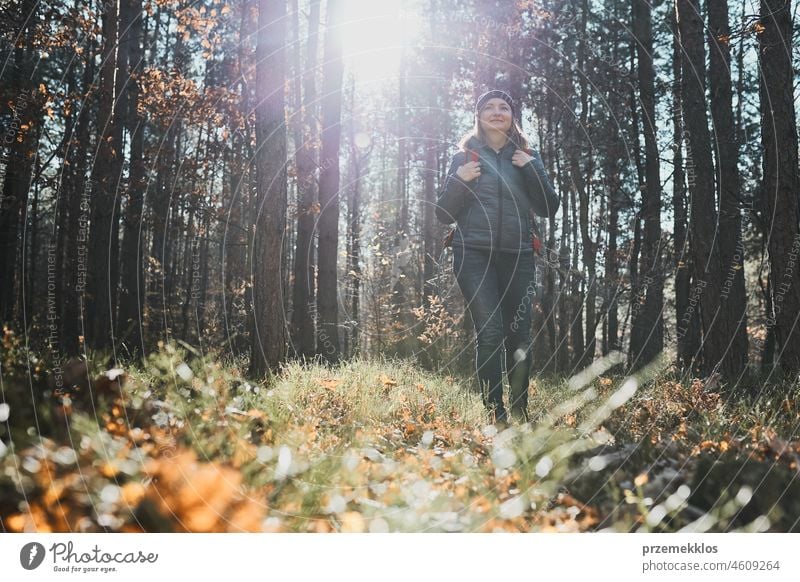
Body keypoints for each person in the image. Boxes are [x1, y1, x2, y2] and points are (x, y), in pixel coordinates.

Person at [435, 90, 560, 425]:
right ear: (478, 116)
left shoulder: (528, 157)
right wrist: (458, 181)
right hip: (472, 254)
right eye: (488, 107)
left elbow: (548, 208)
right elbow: (443, 214)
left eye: (503, 107)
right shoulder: (464, 159)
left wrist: (531, 169)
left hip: (519, 255)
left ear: (512, 116)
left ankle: (519, 412)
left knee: (519, 335)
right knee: (490, 332)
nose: (496, 112)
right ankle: (496, 415)